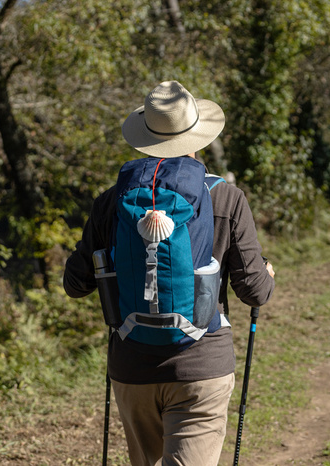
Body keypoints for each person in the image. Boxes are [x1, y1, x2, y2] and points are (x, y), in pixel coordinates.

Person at [63, 81, 275, 465]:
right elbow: (254, 292)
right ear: (199, 136)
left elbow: (75, 284)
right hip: (201, 368)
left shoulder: (111, 202)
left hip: (131, 368)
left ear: (143, 138)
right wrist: (268, 276)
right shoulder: (226, 198)